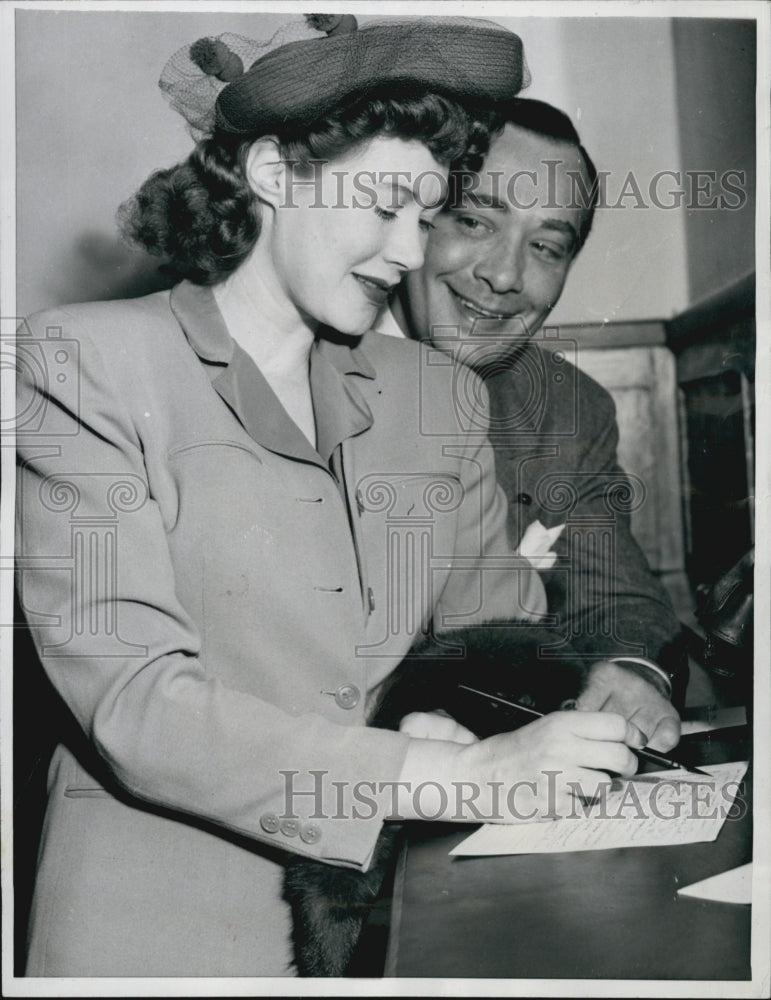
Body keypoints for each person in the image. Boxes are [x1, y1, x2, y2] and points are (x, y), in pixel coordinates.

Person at [15, 20, 647, 978]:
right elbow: (137, 703)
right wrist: (446, 771)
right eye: (387, 205)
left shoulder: (439, 393)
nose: (408, 251)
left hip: (393, 921)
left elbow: (488, 640)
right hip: (155, 930)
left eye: (427, 215)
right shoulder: (84, 363)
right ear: (273, 172)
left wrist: (460, 717)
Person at [390, 98, 687, 753]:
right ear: (408, 216)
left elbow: (616, 598)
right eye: (472, 219)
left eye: (546, 247)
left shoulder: (565, 407)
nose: (503, 276)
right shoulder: (293, 371)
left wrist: (627, 671)